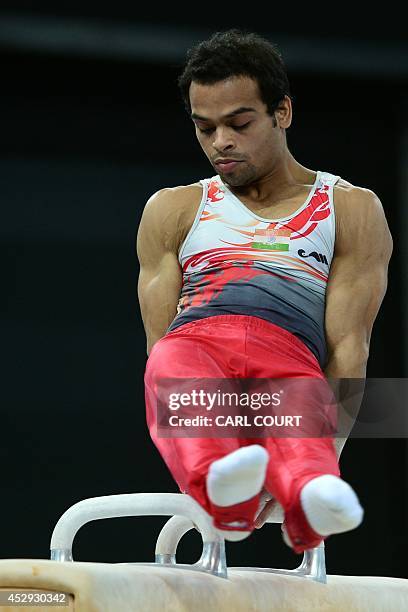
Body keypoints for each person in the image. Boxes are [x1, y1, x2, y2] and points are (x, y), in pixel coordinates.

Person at [137, 30, 393, 553]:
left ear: (283, 113)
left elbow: (349, 347)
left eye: (239, 123)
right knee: (171, 362)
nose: (220, 143)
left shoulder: (348, 208)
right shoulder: (174, 208)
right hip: (199, 346)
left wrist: (330, 451)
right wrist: (208, 445)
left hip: (289, 354)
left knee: (301, 400)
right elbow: (159, 349)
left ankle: (312, 494)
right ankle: (219, 484)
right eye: (204, 128)